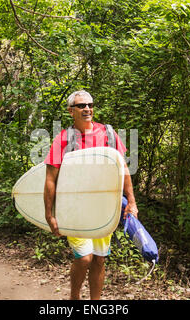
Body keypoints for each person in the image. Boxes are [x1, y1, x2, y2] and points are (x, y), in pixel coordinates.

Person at [43, 90, 138, 300]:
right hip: (74, 207)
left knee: (99, 260)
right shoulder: (63, 139)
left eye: (90, 104)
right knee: (84, 258)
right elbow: (50, 179)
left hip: (103, 206)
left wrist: (131, 201)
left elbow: (123, 170)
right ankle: (74, 298)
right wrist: (49, 215)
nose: (87, 108)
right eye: (81, 105)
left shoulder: (108, 134)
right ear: (71, 111)